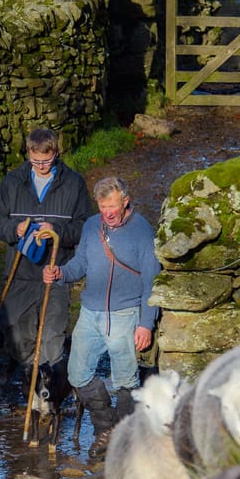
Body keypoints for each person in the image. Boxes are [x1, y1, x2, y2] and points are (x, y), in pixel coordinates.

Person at [43, 176, 161, 453]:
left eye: (112, 205)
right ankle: (106, 430)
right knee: (77, 374)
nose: (107, 211)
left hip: (125, 314)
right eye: (102, 205)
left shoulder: (142, 231)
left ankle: (121, 441)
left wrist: (146, 323)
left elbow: (152, 282)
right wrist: (60, 273)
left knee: (125, 381)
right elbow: (80, 263)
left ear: (125, 202)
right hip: (89, 313)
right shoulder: (91, 226)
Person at [0, 128, 97, 386]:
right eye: (35, 161)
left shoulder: (73, 183)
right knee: (16, 333)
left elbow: (85, 225)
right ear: (28, 154)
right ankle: (30, 377)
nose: (41, 166)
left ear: (56, 153)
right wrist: (15, 229)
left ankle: (49, 391)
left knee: (52, 338)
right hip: (20, 272)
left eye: (46, 160)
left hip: (56, 271)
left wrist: (57, 231)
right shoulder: (13, 181)